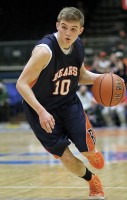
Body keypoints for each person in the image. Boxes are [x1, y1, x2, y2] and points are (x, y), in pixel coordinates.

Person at [16, 7, 105, 199]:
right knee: (65, 157)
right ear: (57, 25)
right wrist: (41, 111)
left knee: (91, 154)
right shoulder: (44, 51)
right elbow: (21, 84)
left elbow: (81, 76)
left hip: (68, 103)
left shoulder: (78, 46)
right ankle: (93, 181)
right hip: (41, 109)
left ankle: (91, 151)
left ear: (80, 30)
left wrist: (107, 79)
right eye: (64, 27)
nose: (67, 33)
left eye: (73, 29)